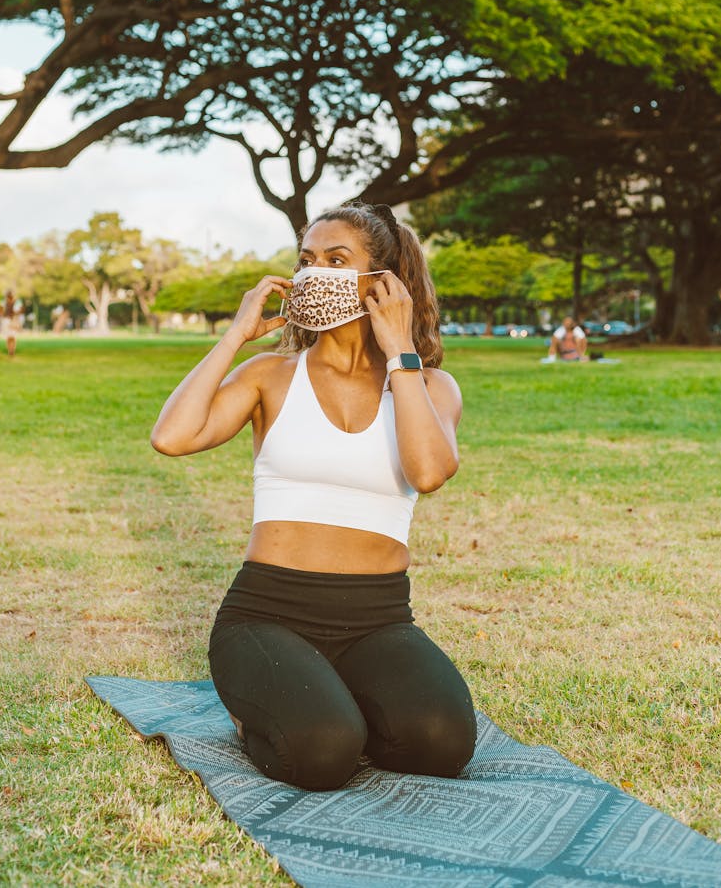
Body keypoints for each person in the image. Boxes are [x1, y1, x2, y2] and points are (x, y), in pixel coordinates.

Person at [151, 202, 477, 791]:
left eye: (335, 259)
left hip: (377, 618)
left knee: (442, 743)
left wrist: (400, 349)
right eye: (305, 260)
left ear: (382, 282)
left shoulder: (427, 385)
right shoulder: (271, 375)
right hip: (268, 613)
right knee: (323, 753)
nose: (313, 273)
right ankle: (290, 711)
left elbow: (429, 472)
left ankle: (329, 700)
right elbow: (172, 437)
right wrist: (235, 335)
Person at [0, 290, 24, 357]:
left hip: (14, 320)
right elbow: (0, 311)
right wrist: (4, 314)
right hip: (6, 320)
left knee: (13, 336)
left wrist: (15, 313)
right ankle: (10, 350)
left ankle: (12, 350)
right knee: (8, 337)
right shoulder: (3, 302)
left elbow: (21, 310)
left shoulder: (18, 302)